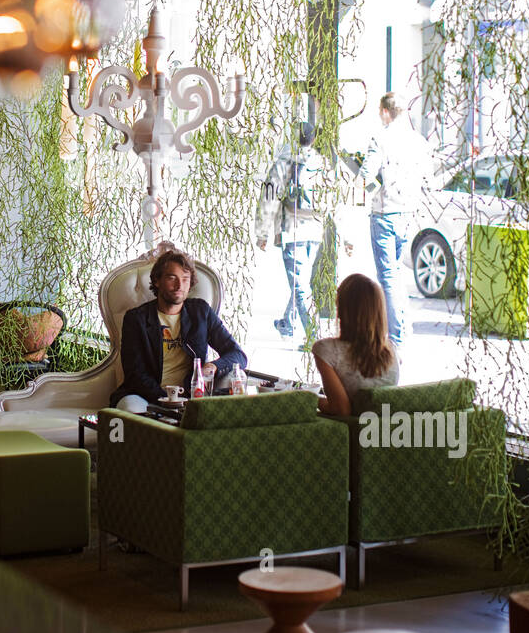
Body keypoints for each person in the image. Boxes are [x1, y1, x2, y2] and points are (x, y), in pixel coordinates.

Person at [111, 246, 247, 412]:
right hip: (144, 396)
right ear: (157, 281)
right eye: (171, 278)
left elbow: (237, 355)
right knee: (129, 409)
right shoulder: (136, 319)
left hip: (189, 396)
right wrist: (168, 401)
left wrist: (213, 366)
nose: (179, 285)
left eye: (185, 279)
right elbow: (135, 374)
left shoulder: (200, 312)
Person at [357, 92, 433, 350]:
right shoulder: (418, 142)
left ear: (386, 112)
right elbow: (428, 179)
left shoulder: (381, 138)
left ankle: (395, 336)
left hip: (385, 213)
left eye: (380, 111)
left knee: (387, 275)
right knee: (397, 273)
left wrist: (364, 184)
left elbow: (366, 177)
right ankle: (402, 326)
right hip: (407, 214)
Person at [255, 122, 334, 339]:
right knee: (301, 282)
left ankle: (315, 336)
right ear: (313, 139)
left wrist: (262, 232)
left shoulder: (284, 162)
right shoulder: (322, 163)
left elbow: (269, 198)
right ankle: (288, 324)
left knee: (299, 286)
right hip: (315, 230)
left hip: (292, 230)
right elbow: (333, 198)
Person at [312, 273, 399, 416]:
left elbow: (341, 410)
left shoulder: (326, 351)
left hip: (351, 435)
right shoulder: (392, 351)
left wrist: (308, 398)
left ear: (343, 310)